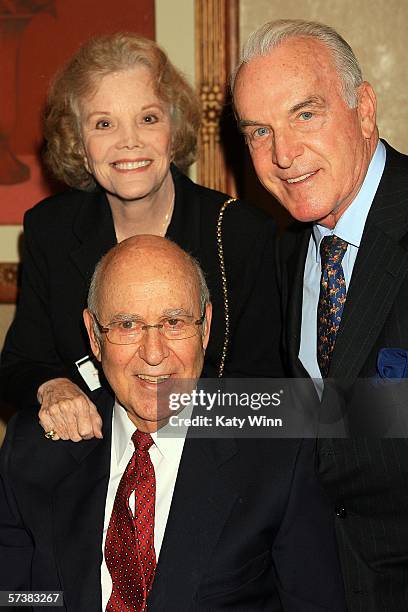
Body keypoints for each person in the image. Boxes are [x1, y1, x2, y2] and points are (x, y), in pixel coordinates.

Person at [0, 235, 346, 611]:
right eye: (127, 324)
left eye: (174, 321)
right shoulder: (34, 450)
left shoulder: (278, 455)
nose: (153, 354)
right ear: (94, 337)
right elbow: (18, 597)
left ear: (206, 327)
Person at [0, 32, 282, 441]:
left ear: (175, 127)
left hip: (212, 465)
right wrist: (52, 387)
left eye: (148, 118)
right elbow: (19, 364)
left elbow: (263, 393)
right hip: (94, 468)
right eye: (104, 123)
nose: (128, 141)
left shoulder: (240, 232)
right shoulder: (51, 229)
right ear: (79, 143)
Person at [231, 18, 408, 611]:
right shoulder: (284, 252)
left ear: (363, 110)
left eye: (305, 114)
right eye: (259, 131)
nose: (283, 155)